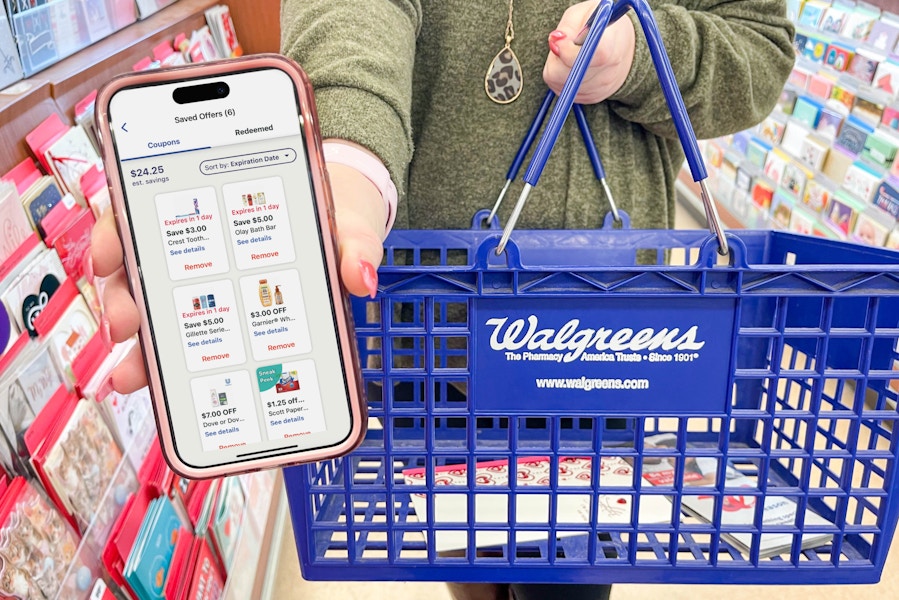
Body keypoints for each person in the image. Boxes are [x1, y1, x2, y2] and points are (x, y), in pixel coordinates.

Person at [92, 1, 794, 599]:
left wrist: (640, 54)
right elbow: (356, 17)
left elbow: (756, 45)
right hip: (430, 328)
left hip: (612, 336)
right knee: (461, 547)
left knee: (579, 569)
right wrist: (344, 168)